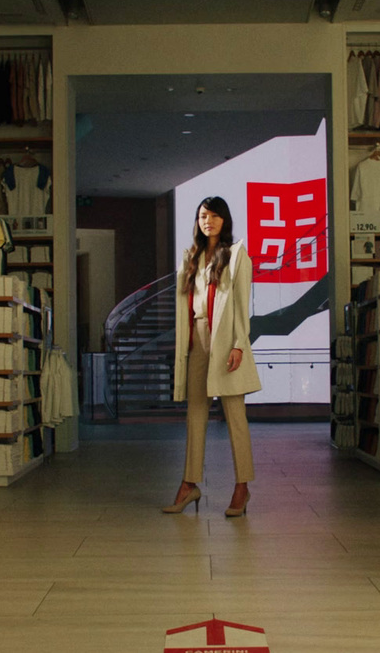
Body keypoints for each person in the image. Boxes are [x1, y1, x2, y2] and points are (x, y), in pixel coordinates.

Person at [163, 197, 262, 518]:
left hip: (226, 341)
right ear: (198, 220)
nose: (209, 221)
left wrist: (239, 344)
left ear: (225, 220)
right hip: (197, 342)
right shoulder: (190, 258)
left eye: (216, 216)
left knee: (235, 416)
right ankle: (189, 484)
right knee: (195, 416)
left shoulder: (235, 255)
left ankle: (242, 486)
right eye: (204, 215)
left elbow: (241, 304)